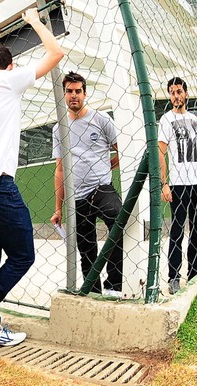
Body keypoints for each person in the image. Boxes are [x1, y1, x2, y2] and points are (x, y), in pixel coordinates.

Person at [0, 8, 63, 352]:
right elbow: (56, 53)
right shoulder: (10, 79)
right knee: (23, 255)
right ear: (11, 67)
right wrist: (33, 20)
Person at [50, 71, 124, 298]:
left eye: (78, 91)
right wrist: (58, 207)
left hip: (101, 188)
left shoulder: (102, 120)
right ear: (64, 94)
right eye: (69, 91)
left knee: (118, 221)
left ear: (85, 93)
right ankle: (93, 292)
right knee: (86, 250)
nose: (74, 96)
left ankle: (114, 285)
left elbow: (122, 149)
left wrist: (109, 165)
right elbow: (60, 169)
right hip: (76, 196)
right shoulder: (58, 129)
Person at [158, 77, 197, 295]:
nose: (176, 95)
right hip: (179, 185)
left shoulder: (194, 119)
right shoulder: (166, 120)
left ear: (186, 94)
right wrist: (164, 183)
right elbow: (161, 153)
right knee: (177, 231)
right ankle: (173, 277)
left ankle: (194, 271)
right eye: (172, 92)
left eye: (179, 91)